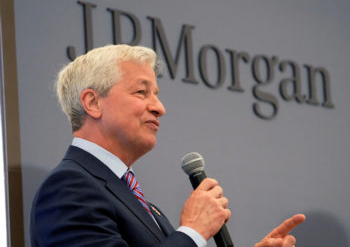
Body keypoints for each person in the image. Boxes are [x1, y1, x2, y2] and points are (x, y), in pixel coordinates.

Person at [30, 44, 305, 247]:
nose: (159, 107)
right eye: (141, 92)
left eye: (157, 95)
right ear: (93, 102)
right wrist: (193, 231)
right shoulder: (68, 189)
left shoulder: (134, 199)